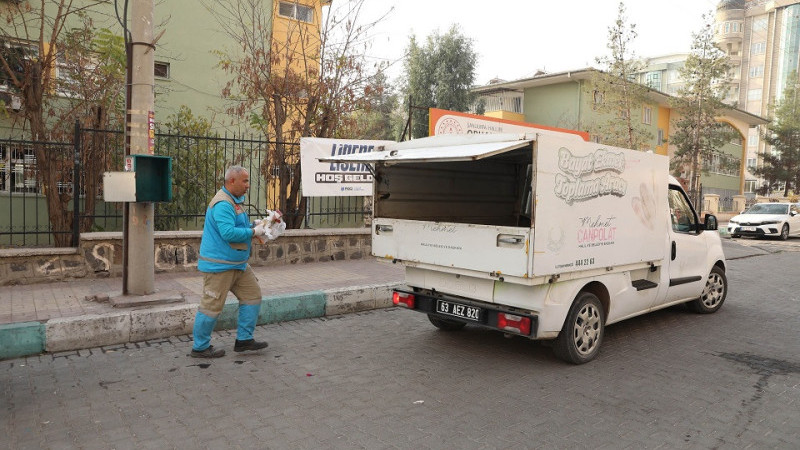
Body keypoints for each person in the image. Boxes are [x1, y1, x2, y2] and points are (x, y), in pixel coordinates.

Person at [190, 165, 269, 358]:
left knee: (252, 296)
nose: (248, 185)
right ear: (231, 181)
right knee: (211, 307)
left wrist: (256, 225)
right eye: (245, 181)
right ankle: (200, 347)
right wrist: (253, 232)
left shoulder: (234, 202)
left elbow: (237, 226)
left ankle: (244, 340)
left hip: (238, 265)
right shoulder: (223, 203)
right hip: (220, 266)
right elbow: (228, 233)